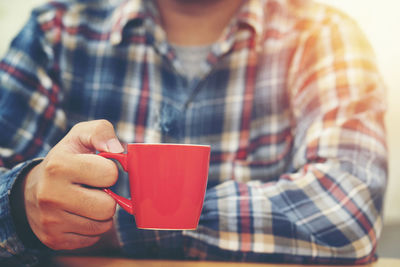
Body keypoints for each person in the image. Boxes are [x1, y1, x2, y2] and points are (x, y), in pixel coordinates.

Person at [0, 0, 388, 266]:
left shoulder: (325, 35)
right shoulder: (56, 32)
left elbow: (345, 211)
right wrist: (22, 200)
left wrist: (114, 224)